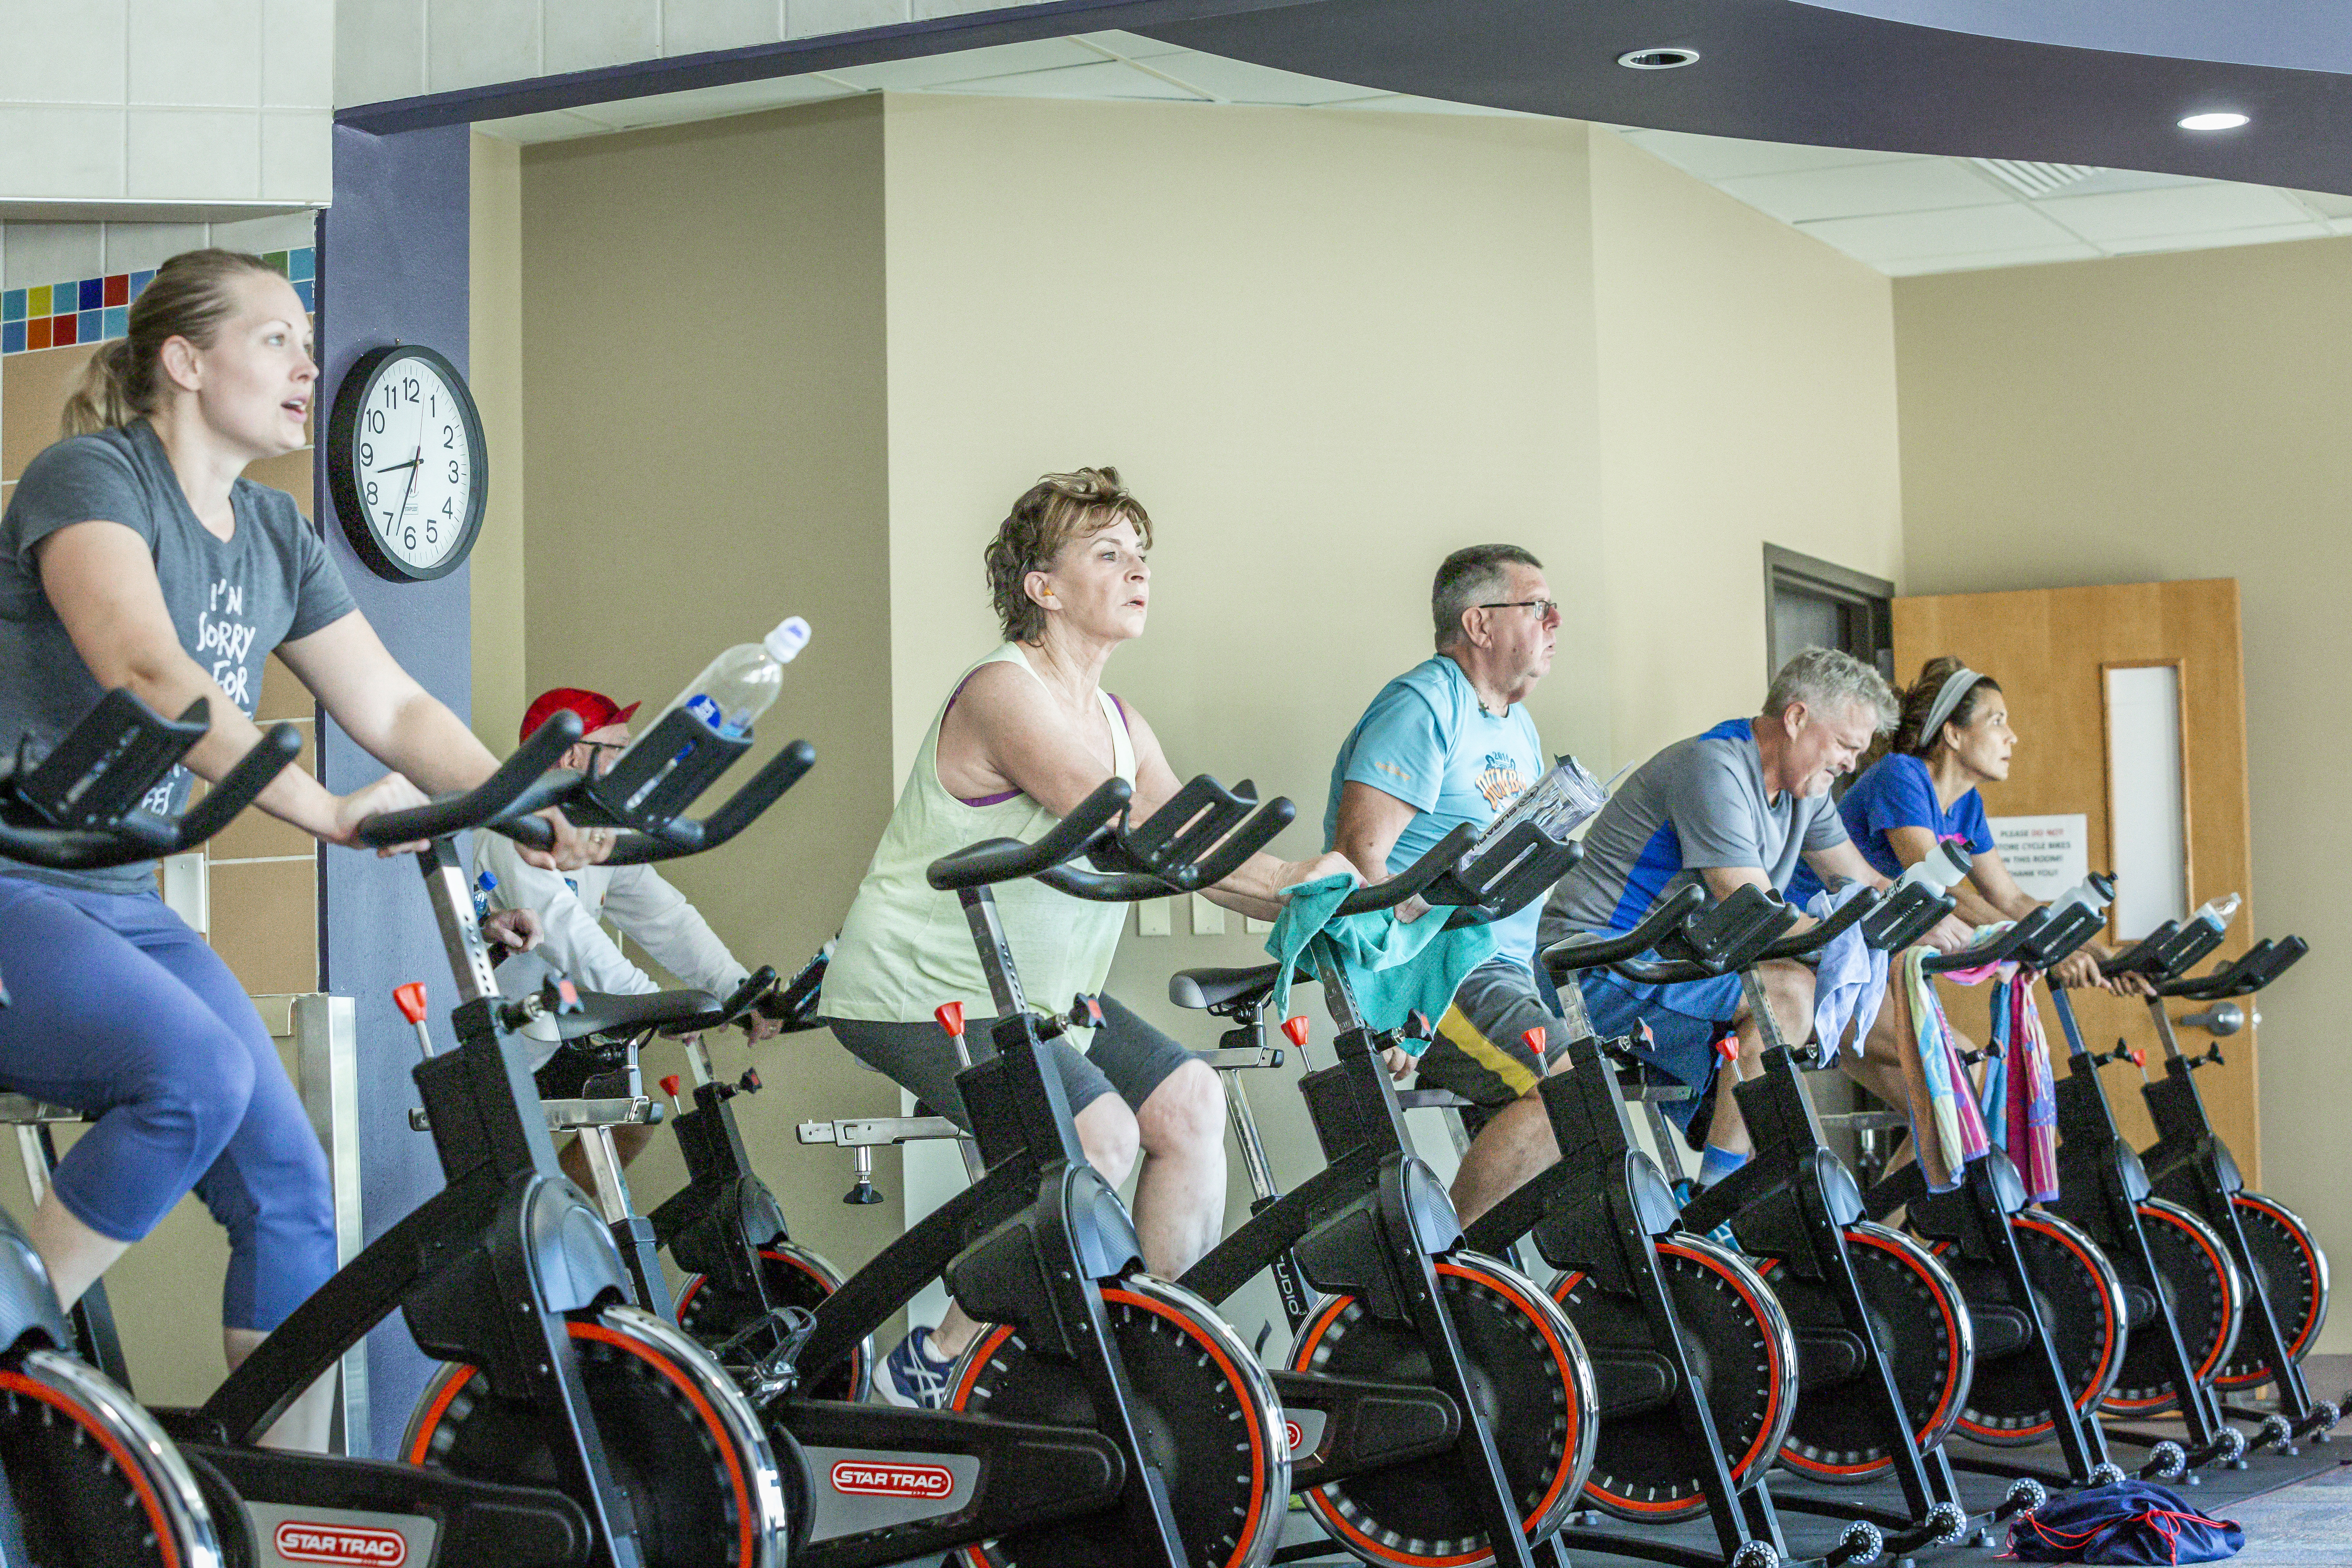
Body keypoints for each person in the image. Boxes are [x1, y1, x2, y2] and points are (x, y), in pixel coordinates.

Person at [0, 249, 591, 1451]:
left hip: (119, 892)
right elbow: (149, 673)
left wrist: (523, 804)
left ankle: (285, 1506)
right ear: (184, 360)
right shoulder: (89, 478)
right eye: (276, 338)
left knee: (293, 1195)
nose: (308, 364)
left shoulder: (275, 531)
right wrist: (321, 808)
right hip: (14, 880)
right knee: (195, 1076)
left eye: (304, 341)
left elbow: (395, 709)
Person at [818, 466, 1350, 1407]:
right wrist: (1285, 880)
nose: (1135, 569)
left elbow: (1192, 849)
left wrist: (1322, 890)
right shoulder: (1001, 692)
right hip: (920, 989)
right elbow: (1137, 836)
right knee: (1094, 1138)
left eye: (1140, 554)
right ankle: (932, 1361)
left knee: (1188, 1106)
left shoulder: (1120, 721)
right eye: (1107, 553)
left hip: (1043, 998)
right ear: (1043, 587)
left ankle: (1150, 1353)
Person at [1463, 648, 1972, 1225]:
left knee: (1934, 1051)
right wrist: (1857, 931)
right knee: (1786, 994)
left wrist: (1937, 920)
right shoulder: (1715, 767)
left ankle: (1878, 1231)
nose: (1853, 763)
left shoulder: (1807, 793)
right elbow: (1749, 904)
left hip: (1678, 967)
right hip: (1595, 965)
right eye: (1846, 746)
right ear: (1797, 718)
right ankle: (1715, 1208)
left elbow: (1862, 881)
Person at [1324, 544, 1572, 1192]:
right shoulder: (1425, 705)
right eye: (1538, 607)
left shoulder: (1517, 725)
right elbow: (1360, 855)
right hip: (1440, 968)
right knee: (1570, 1087)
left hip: (1504, 966)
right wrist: (1395, 1008)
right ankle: (1448, 1275)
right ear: (1479, 623)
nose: (1555, 623)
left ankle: (1482, 1282)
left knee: (1585, 1100)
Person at [477, 685, 780, 1188]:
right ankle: (547, 1239)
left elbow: (667, 918)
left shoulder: (594, 836)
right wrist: (650, 1002)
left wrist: (737, 988)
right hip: (494, 1044)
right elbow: (566, 932)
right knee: (509, 1180)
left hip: (551, 1031)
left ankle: (564, 1236)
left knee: (631, 1119)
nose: (629, 762)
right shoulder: (518, 827)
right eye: (618, 748)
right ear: (574, 754)